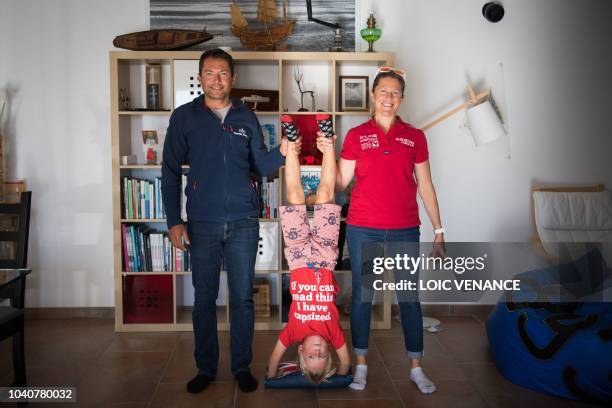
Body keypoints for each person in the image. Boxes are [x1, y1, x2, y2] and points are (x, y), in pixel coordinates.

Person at [161, 48, 297, 393]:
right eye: (209, 73)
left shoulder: (246, 119)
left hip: (243, 221)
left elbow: (260, 168)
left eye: (223, 73)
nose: (216, 79)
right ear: (200, 77)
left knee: (243, 299)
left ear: (232, 78)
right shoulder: (184, 118)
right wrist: (174, 221)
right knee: (204, 298)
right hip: (202, 222)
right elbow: (170, 172)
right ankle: (205, 368)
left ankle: (240, 367)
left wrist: (281, 152)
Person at [336, 66, 445, 393]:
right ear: (373, 95)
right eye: (383, 91)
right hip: (363, 229)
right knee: (363, 299)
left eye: (395, 93)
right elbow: (341, 182)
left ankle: (416, 368)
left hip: (404, 230)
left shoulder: (414, 136)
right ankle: (361, 367)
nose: (388, 98)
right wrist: (318, 181)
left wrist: (439, 230)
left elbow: (425, 185)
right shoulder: (356, 136)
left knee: (409, 298)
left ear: (402, 98)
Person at [267, 130, 350, 383]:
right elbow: (345, 363)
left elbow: (274, 360)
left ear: (300, 351)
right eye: (323, 356)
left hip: (298, 257)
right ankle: (327, 144)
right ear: (329, 352)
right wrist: (340, 378)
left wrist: (272, 378)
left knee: (295, 197)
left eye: (312, 357)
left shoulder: (292, 333)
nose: (318, 352)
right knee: (325, 195)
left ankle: (291, 145)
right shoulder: (333, 334)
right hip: (325, 258)